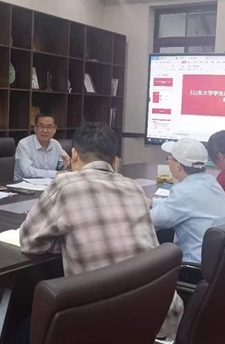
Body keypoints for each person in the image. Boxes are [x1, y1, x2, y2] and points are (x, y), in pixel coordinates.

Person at [19, 122, 183, 339]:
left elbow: (29, 241)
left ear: (74, 155)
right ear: (115, 161)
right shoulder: (134, 188)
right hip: (160, 317)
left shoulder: (65, 185)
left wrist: (70, 241)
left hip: (103, 325)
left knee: (22, 327)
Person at [150, 138, 225, 271]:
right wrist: (153, 202)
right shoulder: (211, 182)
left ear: (178, 166)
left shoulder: (184, 191)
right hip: (217, 265)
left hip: (194, 269)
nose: (168, 161)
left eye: (170, 158)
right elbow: (187, 206)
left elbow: (151, 221)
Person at [13, 113, 70, 181]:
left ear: (54, 129)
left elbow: (64, 165)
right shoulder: (24, 144)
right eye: (41, 126)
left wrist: (68, 165)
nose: (45, 130)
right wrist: (55, 174)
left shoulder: (56, 144)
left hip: (48, 185)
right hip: (23, 185)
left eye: (49, 127)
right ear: (35, 128)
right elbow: (27, 171)